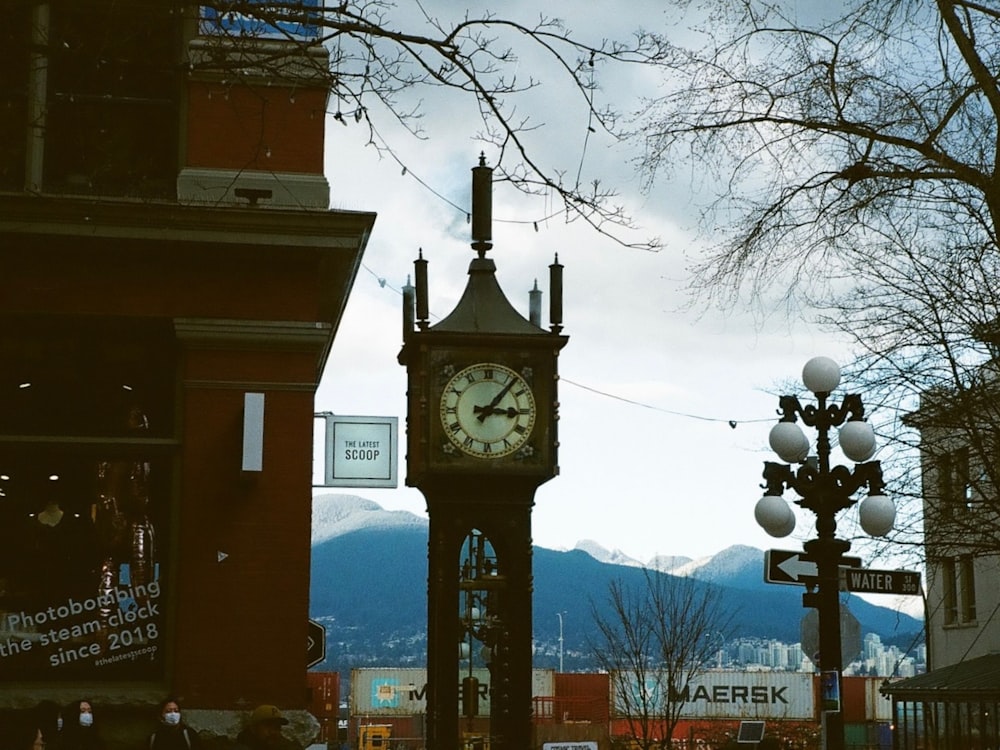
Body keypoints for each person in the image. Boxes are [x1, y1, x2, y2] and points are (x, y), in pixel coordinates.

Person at [234, 705, 300, 750]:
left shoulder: (283, 746)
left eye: (277, 727)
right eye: (268, 726)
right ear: (253, 728)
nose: (273, 731)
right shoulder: (238, 747)